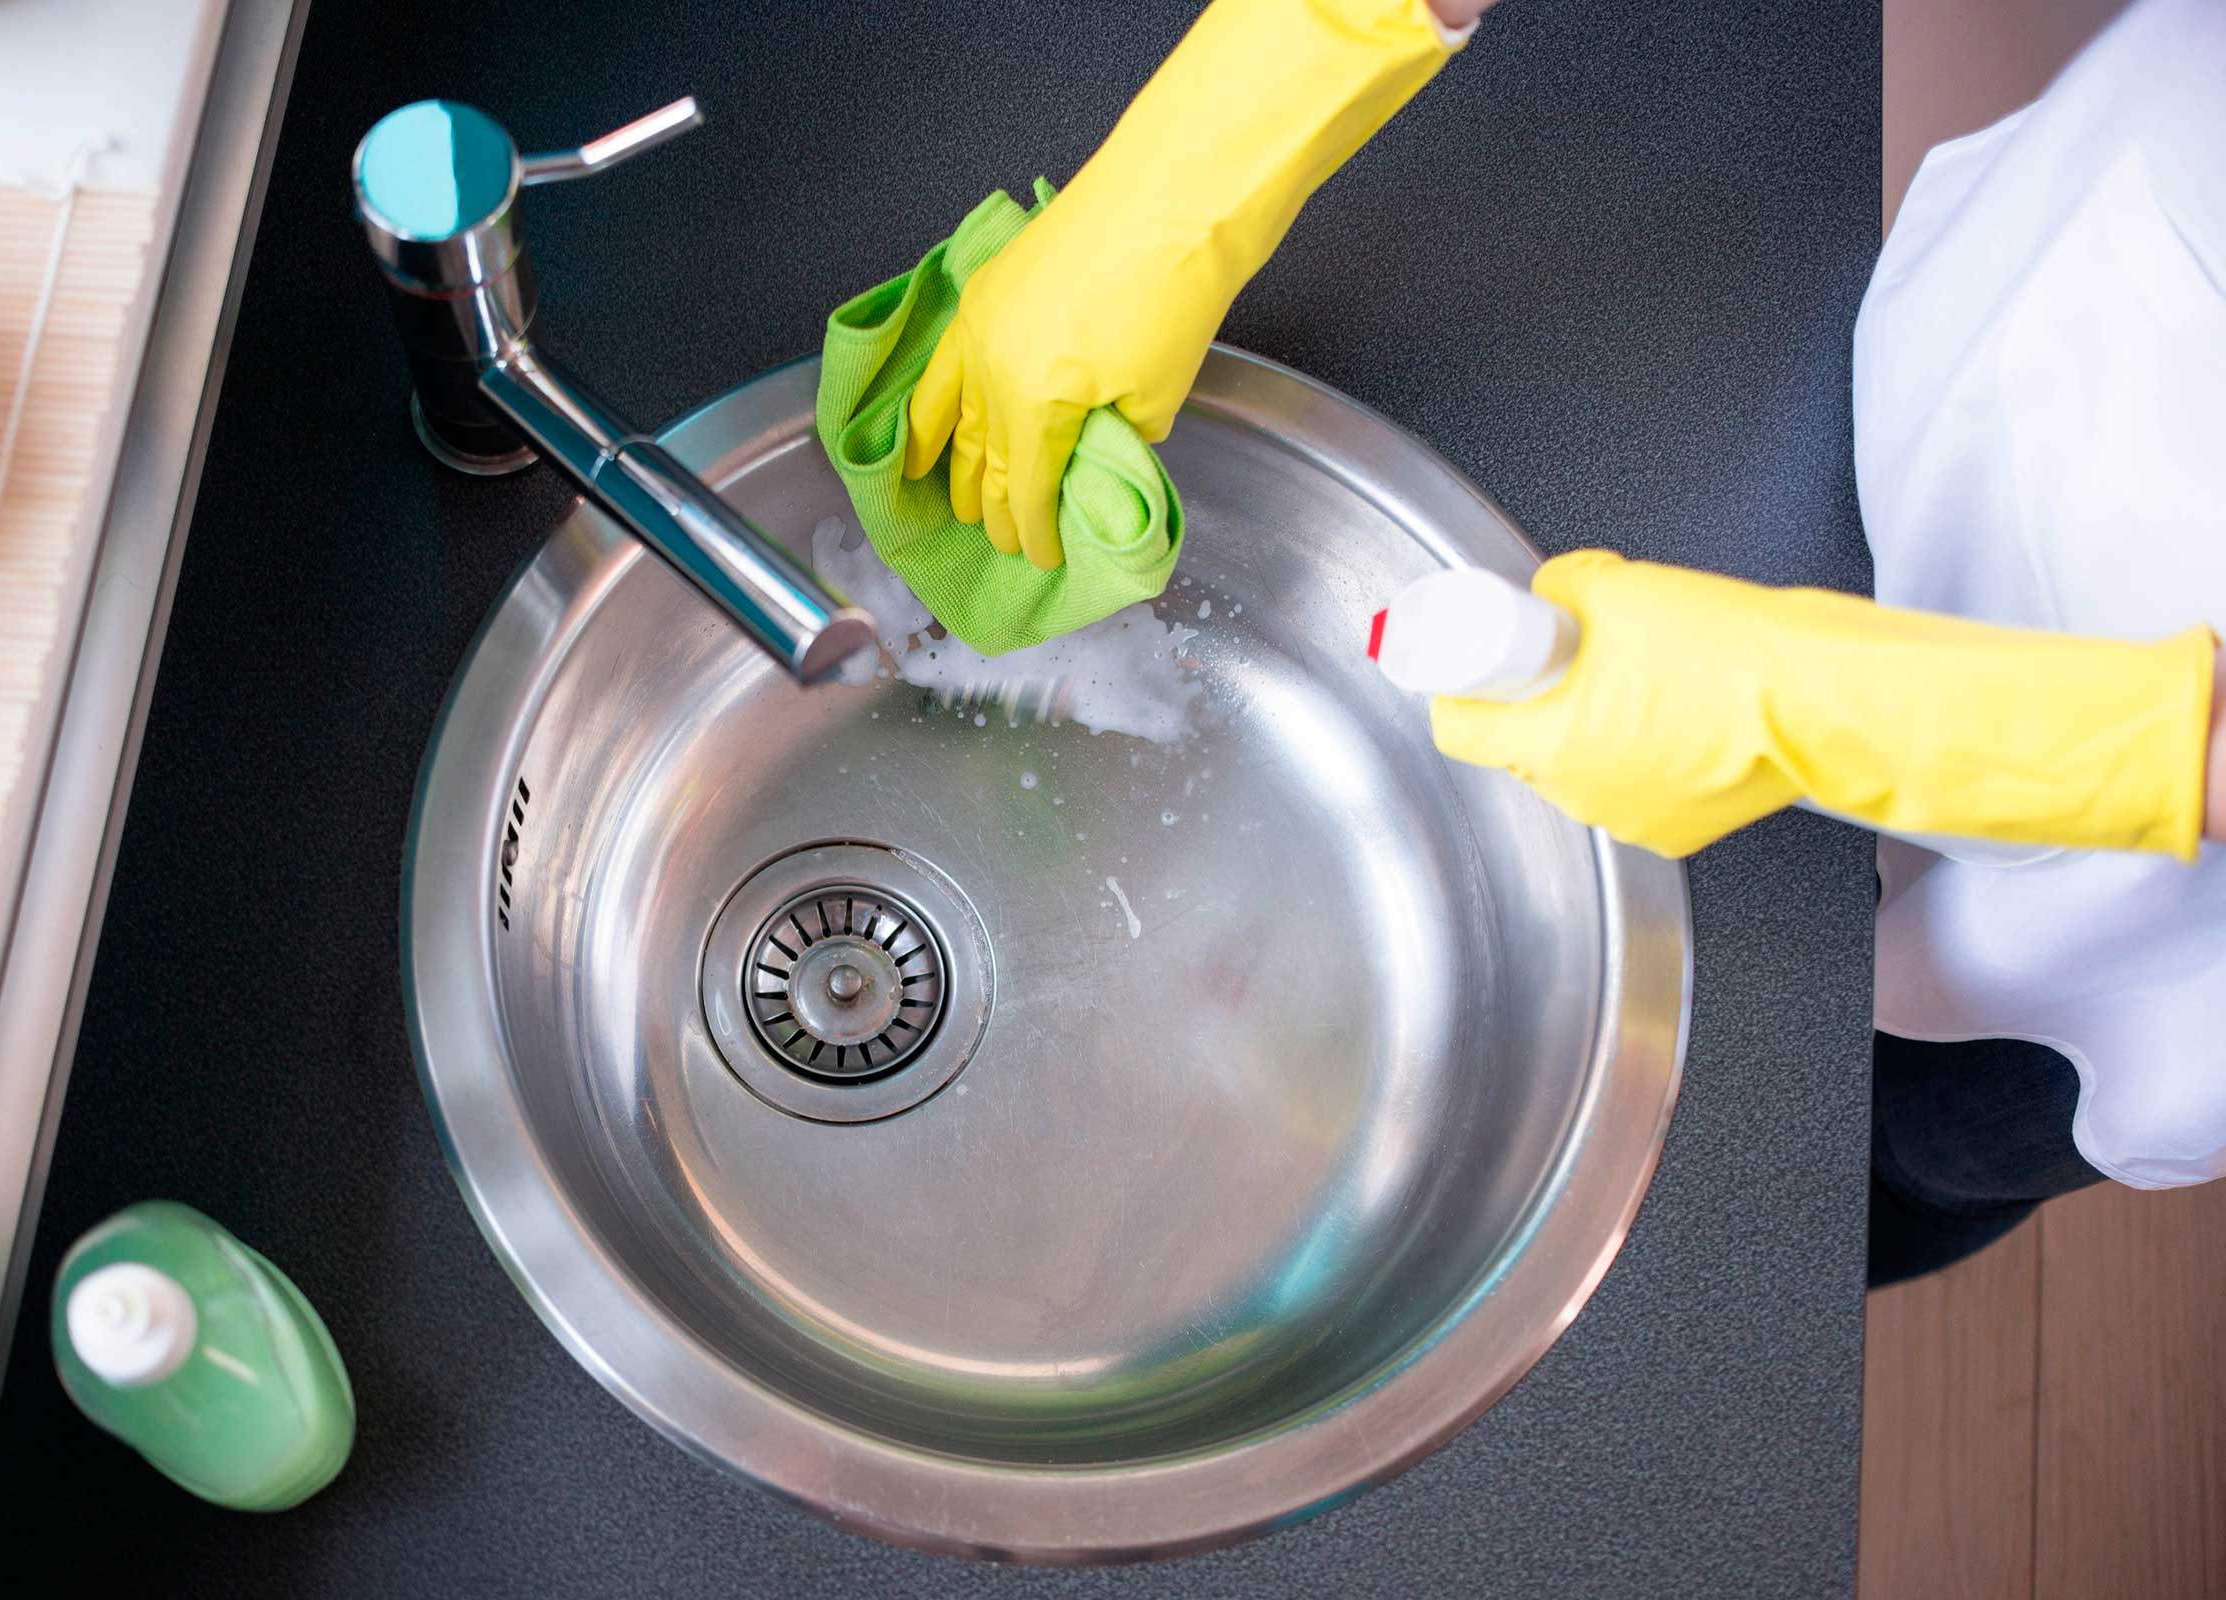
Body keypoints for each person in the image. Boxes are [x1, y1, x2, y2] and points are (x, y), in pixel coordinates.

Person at [899, 0, 2226, 1284]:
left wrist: (2032, 740)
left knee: (1891, 1147)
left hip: (2144, 925)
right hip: (2021, 343)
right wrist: (1257, 93)